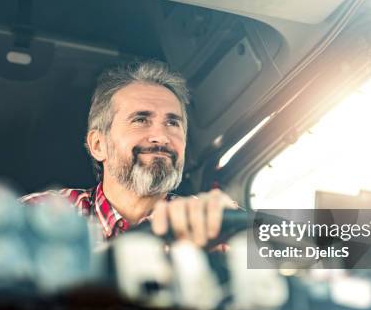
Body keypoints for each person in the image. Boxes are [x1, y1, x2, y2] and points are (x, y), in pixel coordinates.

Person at [21, 60, 236, 246]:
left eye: (172, 123)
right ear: (98, 145)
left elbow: (267, 254)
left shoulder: (211, 221)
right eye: (141, 120)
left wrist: (236, 234)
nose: (161, 137)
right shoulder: (40, 216)